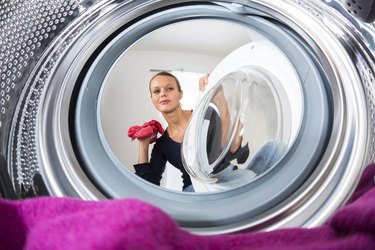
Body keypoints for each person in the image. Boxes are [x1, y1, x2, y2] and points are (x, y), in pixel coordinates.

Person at [132, 71, 251, 192]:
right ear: (152, 99)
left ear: (180, 94)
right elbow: (148, 185)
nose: (163, 94)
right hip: (194, 189)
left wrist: (220, 97)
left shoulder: (205, 115)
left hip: (227, 179)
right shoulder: (162, 145)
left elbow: (233, 149)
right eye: (156, 91)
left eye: (169, 88)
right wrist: (143, 144)